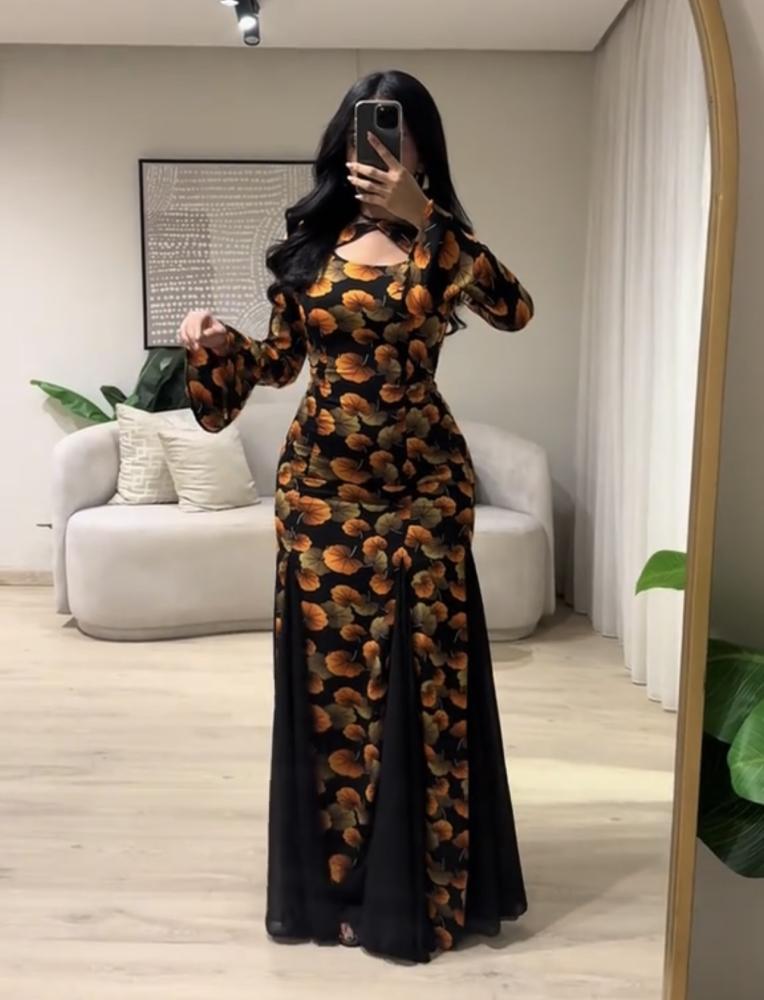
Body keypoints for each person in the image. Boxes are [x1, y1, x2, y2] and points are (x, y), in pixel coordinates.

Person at [179, 69, 534, 964]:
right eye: (363, 134)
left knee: (426, 691)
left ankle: (418, 890)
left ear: (422, 148)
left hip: (423, 499)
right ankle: (336, 889)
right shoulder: (311, 252)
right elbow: (275, 366)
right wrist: (218, 347)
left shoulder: (442, 245)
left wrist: (427, 217)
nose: (376, 148)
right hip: (322, 503)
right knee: (332, 700)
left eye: (394, 133)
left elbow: (515, 309)